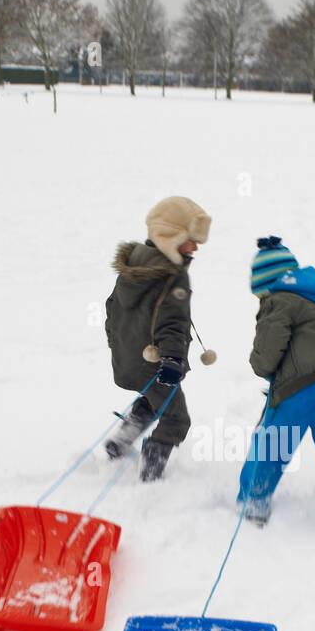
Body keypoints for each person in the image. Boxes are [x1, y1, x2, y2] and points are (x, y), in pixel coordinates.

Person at [239, 236, 315, 527]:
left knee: (271, 446)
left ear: (267, 285)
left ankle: (254, 501)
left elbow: (267, 353)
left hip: (297, 387)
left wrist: (261, 365)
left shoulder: (278, 301)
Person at [104, 196, 211, 481]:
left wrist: (118, 343)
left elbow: (111, 309)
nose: (196, 247)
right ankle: (151, 468)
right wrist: (173, 358)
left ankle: (123, 438)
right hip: (156, 363)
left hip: (128, 358)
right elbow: (172, 323)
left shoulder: (132, 267)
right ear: (170, 237)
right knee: (177, 419)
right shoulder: (174, 277)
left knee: (154, 399)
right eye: (190, 239)